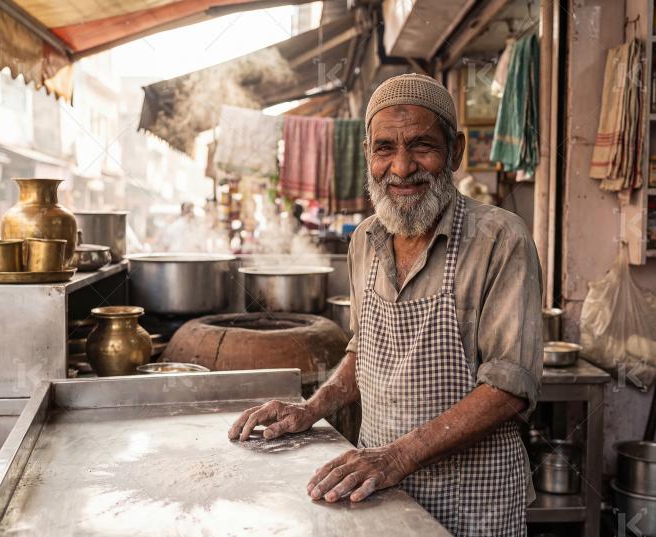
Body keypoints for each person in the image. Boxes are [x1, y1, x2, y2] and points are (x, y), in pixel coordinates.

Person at [228, 74, 543, 537]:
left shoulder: (501, 238)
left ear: (454, 151)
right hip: (378, 492)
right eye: (385, 149)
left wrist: (397, 455)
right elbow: (366, 347)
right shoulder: (364, 241)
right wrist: (311, 408)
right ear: (368, 155)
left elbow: (509, 386)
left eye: (421, 146)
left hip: (473, 498)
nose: (401, 167)